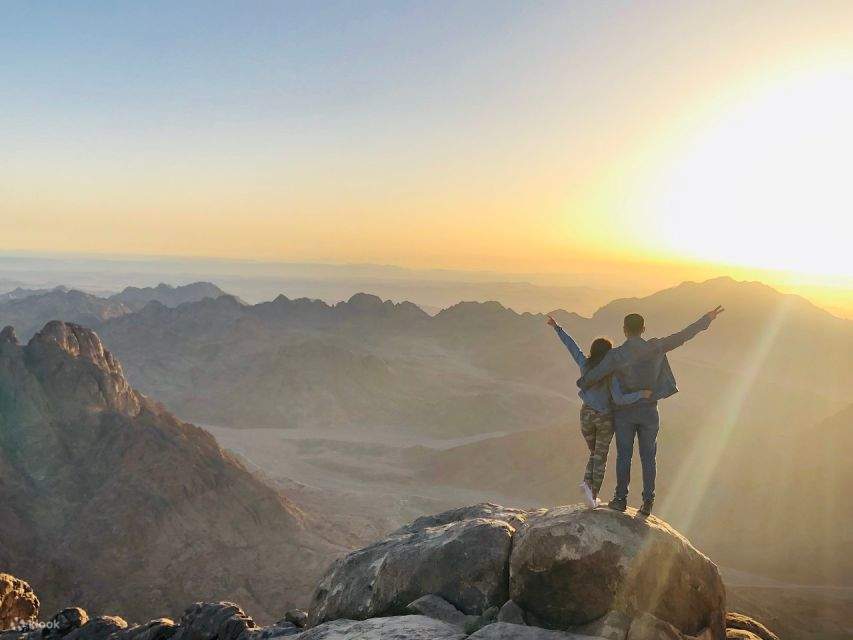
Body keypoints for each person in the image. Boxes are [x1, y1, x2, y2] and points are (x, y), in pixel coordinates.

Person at [576, 306, 725, 516]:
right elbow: (682, 336)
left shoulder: (616, 355)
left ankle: (620, 500)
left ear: (625, 330)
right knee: (648, 457)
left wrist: (582, 382)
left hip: (624, 413)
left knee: (623, 457)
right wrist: (706, 319)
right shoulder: (656, 347)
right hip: (649, 412)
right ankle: (647, 503)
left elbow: (595, 375)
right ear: (643, 329)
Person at [547, 315, 652, 509]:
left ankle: (587, 485)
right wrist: (641, 394)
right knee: (600, 457)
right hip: (604, 418)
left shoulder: (585, 365)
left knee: (594, 453)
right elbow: (620, 399)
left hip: (585, 415)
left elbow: (573, 347)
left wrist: (557, 327)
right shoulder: (611, 373)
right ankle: (592, 496)